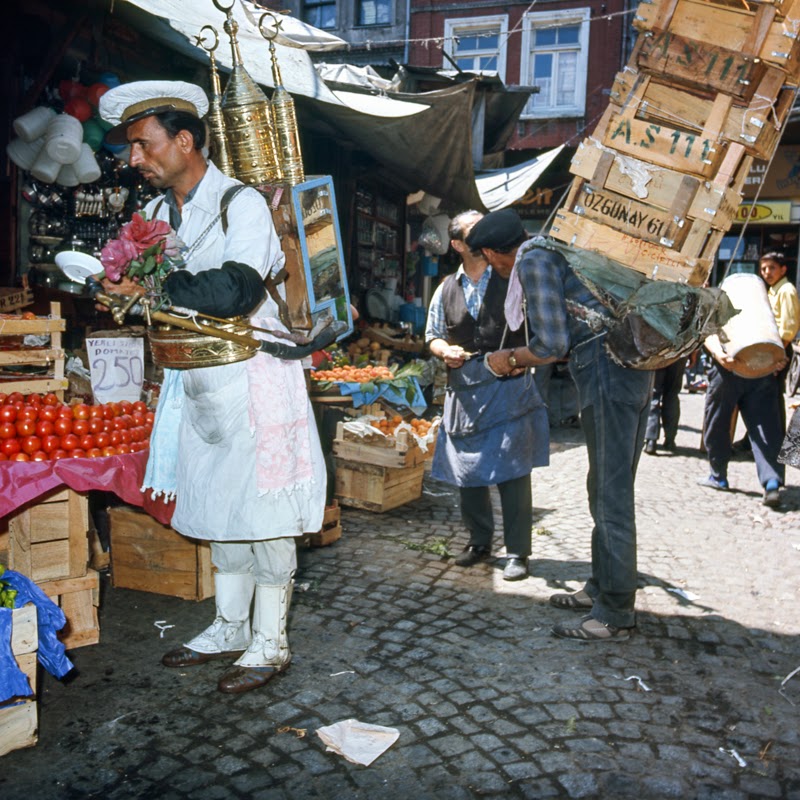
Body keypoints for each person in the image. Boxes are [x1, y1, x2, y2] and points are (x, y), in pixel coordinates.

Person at [98, 81, 326, 693]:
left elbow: (235, 291)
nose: (135, 160)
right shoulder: (152, 216)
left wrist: (147, 291)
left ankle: (270, 641)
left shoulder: (239, 204)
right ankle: (229, 624)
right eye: (132, 150)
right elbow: (146, 285)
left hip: (257, 381)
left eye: (143, 147)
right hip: (196, 382)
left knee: (267, 511)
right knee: (221, 504)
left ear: (185, 140)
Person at [474, 210, 653, 641]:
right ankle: (600, 587)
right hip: (632, 368)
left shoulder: (531, 260)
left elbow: (552, 344)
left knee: (610, 494)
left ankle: (615, 613)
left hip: (608, 371)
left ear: (495, 253)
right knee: (606, 486)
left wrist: (509, 359)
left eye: (489, 259)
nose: (495, 268)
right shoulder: (553, 246)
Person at [425, 210, 549, 581]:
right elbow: (432, 334)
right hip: (465, 391)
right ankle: (479, 541)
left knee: (513, 470)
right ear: (458, 245)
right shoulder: (447, 287)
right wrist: (442, 350)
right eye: (473, 232)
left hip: (510, 387)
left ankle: (517, 552)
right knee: (469, 470)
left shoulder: (514, 275)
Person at [760, 251, 800, 428]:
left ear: (783, 270)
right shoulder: (772, 291)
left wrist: (778, 356)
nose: (767, 272)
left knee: (773, 396)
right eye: (763, 269)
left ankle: (776, 440)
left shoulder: (786, 291)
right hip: (770, 349)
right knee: (763, 396)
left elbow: (788, 327)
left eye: (772, 268)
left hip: (779, 350)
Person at [643, 359, 685, 455]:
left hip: (658, 351)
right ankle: (670, 439)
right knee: (672, 394)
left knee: (654, 393)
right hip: (679, 353)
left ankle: (650, 439)